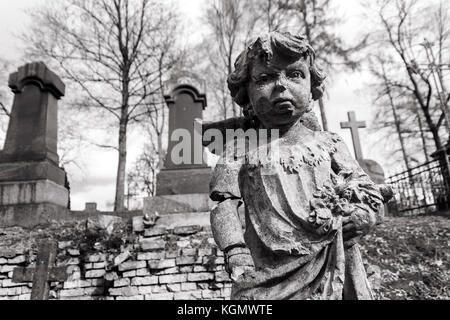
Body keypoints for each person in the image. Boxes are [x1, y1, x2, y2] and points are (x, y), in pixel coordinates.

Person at [209, 31, 392, 300]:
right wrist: (235, 249)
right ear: (245, 92)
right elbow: (223, 203)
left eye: (294, 74)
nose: (281, 85)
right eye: (265, 78)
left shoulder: (329, 144)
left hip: (335, 264)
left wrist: (364, 216)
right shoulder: (239, 150)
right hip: (268, 277)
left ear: (312, 85)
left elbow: (367, 193)